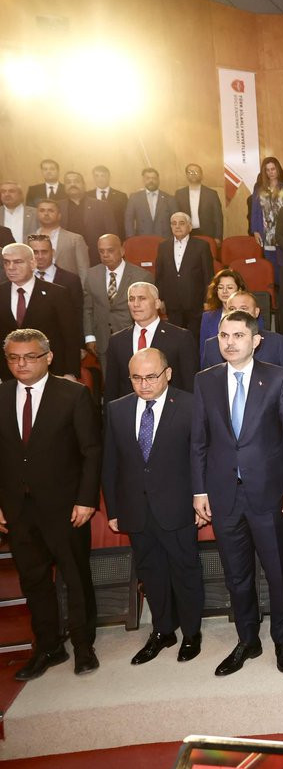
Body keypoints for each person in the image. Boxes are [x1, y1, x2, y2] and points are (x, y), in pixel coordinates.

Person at [192, 310, 283, 676]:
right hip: (223, 494)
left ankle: (282, 639)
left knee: (277, 571)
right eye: (224, 335)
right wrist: (199, 491)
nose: (230, 342)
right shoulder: (205, 381)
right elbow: (199, 441)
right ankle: (247, 639)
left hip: (269, 493)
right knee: (236, 575)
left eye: (238, 335)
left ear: (256, 341)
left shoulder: (278, 378)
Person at [1, 329, 101, 680]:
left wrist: (86, 499)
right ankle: (48, 646)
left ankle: (84, 645)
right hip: (17, 509)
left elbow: (91, 451)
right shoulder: (1, 395)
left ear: (48, 357)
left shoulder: (73, 394)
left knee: (76, 577)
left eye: (29, 357)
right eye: (13, 358)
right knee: (33, 580)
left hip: (66, 507)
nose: (21, 364)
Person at [102, 348, 204, 665]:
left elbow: (201, 458)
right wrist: (114, 510)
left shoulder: (190, 405)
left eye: (151, 376)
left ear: (167, 374)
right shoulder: (117, 409)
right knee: (151, 572)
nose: (144, 384)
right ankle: (163, 630)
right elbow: (110, 463)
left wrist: (201, 500)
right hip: (135, 509)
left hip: (178, 506)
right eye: (136, 378)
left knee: (185, 571)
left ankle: (191, 633)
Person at [0, 242, 82, 380]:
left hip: (51, 373)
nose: (11, 267)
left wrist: (70, 373)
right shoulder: (1, 292)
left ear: (32, 264)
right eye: (7, 262)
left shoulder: (57, 294)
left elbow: (71, 336)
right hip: (7, 376)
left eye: (18, 262)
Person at [105, 282, 199, 402]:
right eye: (131, 299)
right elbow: (111, 389)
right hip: (130, 411)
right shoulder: (117, 341)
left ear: (157, 303)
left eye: (142, 298)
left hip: (171, 410)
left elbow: (190, 385)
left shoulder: (181, 337)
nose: (136, 304)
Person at [84, 234, 154, 379]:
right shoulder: (91, 275)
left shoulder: (141, 276)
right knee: (109, 382)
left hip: (132, 338)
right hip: (103, 339)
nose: (105, 255)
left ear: (122, 251)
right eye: (101, 251)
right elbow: (88, 308)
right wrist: (90, 337)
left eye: (110, 250)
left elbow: (149, 313)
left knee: (135, 380)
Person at [199, 290, 283, 371]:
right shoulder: (212, 345)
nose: (237, 313)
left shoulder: (277, 343)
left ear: (256, 312)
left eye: (243, 309)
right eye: (232, 309)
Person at [156, 212, 215, 340]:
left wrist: (207, 300)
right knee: (175, 339)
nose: (177, 226)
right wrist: (161, 299)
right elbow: (160, 275)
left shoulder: (202, 246)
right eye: (174, 223)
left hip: (195, 302)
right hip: (172, 303)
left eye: (181, 223)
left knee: (194, 338)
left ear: (190, 227)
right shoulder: (163, 246)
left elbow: (208, 275)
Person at [249, 157, 283, 272]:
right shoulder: (259, 189)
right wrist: (255, 231)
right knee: (271, 265)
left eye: (273, 169)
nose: (270, 172)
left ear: (278, 169)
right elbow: (255, 211)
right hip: (266, 233)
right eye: (267, 170)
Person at [198, 268, 248, 349]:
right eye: (220, 287)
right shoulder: (207, 317)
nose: (224, 291)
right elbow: (204, 349)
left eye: (230, 287)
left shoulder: (250, 314)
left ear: (239, 289)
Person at [175, 164, 224, 242]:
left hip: (207, 234)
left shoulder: (211, 194)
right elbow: (176, 215)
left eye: (196, 172)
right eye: (190, 172)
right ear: (186, 175)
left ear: (201, 175)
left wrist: (218, 237)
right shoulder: (179, 194)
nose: (193, 174)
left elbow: (218, 217)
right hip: (186, 233)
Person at [125, 167, 178, 239]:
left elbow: (176, 220)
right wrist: (131, 238)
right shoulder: (134, 198)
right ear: (143, 180)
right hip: (142, 238)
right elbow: (129, 219)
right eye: (148, 178)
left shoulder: (169, 198)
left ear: (158, 180)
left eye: (154, 178)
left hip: (164, 238)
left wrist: (175, 238)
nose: (151, 181)